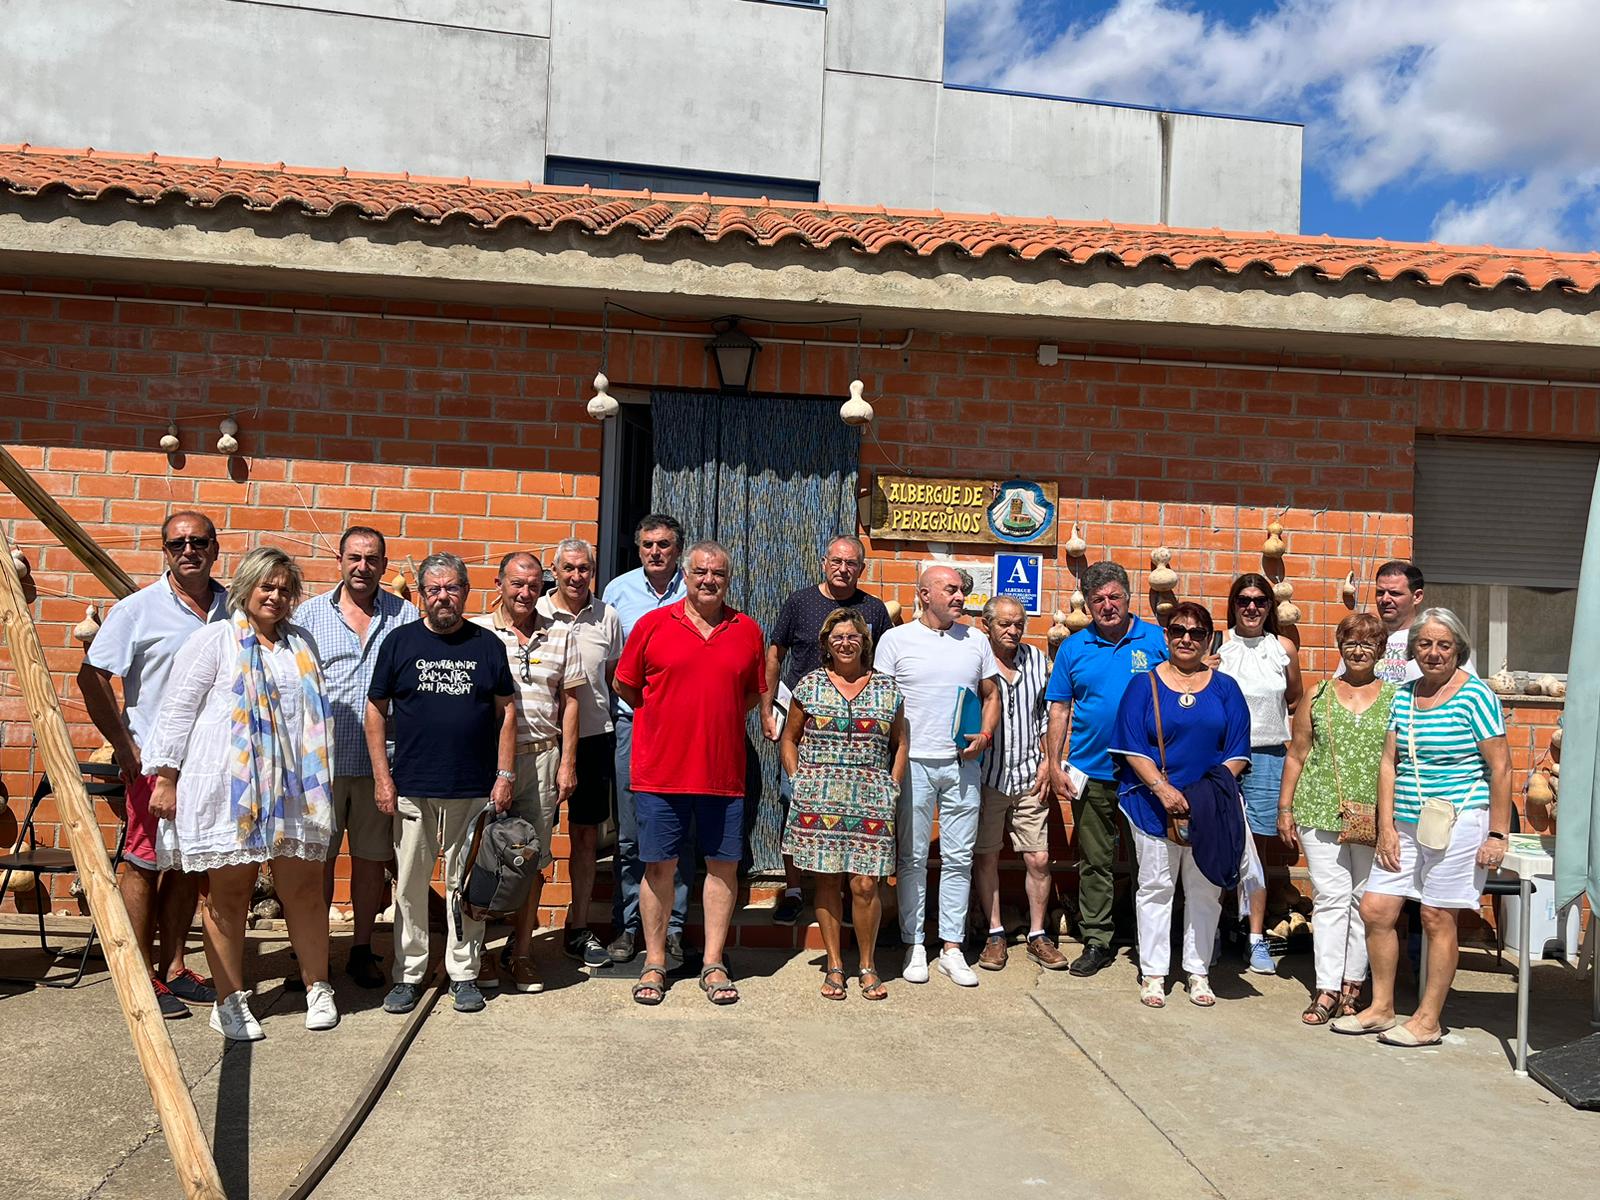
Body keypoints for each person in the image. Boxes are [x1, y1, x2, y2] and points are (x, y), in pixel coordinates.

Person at [143, 547, 338, 1039]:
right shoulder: (216, 640)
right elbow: (176, 711)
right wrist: (166, 777)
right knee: (228, 896)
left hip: (295, 791)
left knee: (305, 891)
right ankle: (229, 999)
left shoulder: (301, 644)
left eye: (284, 588)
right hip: (232, 790)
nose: (275, 595)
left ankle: (319, 987)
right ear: (246, 587)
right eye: (266, 586)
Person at [1336, 608, 1511, 1046]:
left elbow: (1502, 766)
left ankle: (1428, 1019)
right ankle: (1380, 1008)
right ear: (1412, 649)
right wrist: (1387, 824)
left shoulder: (1477, 696)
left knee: (1436, 915)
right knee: (1377, 908)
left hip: (1458, 821)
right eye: (1425, 644)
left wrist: (1497, 833)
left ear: (1459, 650)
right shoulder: (1404, 694)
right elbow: (1388, 763)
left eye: (1443, 645)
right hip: (1407, 823)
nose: (1433, 653)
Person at [76, 511, 226, 1019]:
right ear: (164, 550)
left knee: (185, 864)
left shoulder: (232, 607)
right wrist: (123, 747)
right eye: (178, 543)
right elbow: (91, 676)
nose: (189, 550)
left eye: (198, 541)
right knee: (143, 863)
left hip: (211, 764)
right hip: (153, 764)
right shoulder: (136, 610)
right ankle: (141, 976)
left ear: (214, 548)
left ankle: (176, 966)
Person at [613, 541, 764, 1006]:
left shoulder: (747, 630)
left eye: (717, 573)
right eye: (700, 572)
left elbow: (751, 696)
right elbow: (626, 685)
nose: (708, 580)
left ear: (728, 578)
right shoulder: (652, 625)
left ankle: (714, 963)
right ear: (687, 573)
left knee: (722, 867)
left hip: (723, 772)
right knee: (658, 866)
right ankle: (655, 962)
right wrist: (670, 721)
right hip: (661, 772)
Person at [367, 552, 517, 1016]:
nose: (443, 597)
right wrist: (382, 778)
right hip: (412, 786)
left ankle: (463, 973)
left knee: (464, 885)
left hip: (472, 787)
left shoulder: (487, 645)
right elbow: (376, 711)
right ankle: (409, 974)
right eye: (433, 590)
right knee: (410, 886)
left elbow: (507, 710)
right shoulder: (399, 643)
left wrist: (505, 774)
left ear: (466, 591)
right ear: (421, 596)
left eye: (451, 588)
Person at [1111, 601, 1251, 1009]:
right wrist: (1162, 789)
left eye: (1195, 632)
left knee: (1205, 890)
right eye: (1177, 631)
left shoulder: (1226, 688)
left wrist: (1204, 794)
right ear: (1166, 636)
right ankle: (1154, 973)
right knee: (1155, 887)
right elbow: (1130, 746)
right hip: (1153, 806)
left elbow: (1238, 749)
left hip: (1210, 808)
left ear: (1208, 638)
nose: (1186, 638)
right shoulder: (1144, 685)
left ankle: (1197, 971)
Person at [296, 525, 418, 988]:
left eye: (372, 559)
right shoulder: (309, 615)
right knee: (316, 864)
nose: (362, 567)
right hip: (320, 766)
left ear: (384, 566)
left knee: (370, 862)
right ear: (341, 561)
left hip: (379, 764)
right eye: (354, 558)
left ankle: (362, 947)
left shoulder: (405, 616)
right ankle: (315, 956)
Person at [875, 565, 1000, 987]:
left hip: (963, 763)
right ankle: (914, 945)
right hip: (912, 763)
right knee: (910, 858)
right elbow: (883, 703)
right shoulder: (895, 640)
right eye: (950, 589)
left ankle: (951, 947)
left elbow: (991, 695)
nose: (960, 596)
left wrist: (985, 733)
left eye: (962, 589)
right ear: (924, 594)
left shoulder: (977, 640)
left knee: (959, 858)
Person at [1043, 561, 1169, 976]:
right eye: (1098, 600)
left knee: (1149, 863)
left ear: (1128, 598)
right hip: (1090, 771)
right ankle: (1097, 940)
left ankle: (1150, 941)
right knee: (1094, 860)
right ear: (1089, 604)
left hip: (1146, 775)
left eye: (1114, 596)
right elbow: (1059, 708)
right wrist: (1053, 762)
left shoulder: (1155, 640)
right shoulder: (1075, 648)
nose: (1107, 606)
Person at [762, 535, 893, 926]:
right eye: (836, 561)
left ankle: (844, 895)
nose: (843, 568)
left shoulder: (874, 609)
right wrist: (768, 710)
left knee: (852, 815)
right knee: (794, 802)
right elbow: (775, 654)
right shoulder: (800, 602)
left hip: (858, 729)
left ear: (861, 569)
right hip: (806, 721)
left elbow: (885, 664)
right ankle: (794, 889)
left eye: (851, 563)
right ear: (824, 562)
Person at [779, 608, 906, 1000]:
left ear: (865, 642)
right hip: (819, 796)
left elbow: (900, 743)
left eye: (853, 637)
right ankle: (835, 965)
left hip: (871, 796)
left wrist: (893, 785)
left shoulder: (887, 688)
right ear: (826, 645)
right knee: (829, 881)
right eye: (837, 639)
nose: (845, 643)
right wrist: (799, 779)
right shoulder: (809, 685)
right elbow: (789, 739)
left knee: (866, 884)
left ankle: (867, 965)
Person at [1278, 613, 1396, 1025]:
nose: (1359, 649)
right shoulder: (1318, 693)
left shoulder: (1397, 698)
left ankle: (1354, 986)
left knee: (1365, 903)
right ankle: (1326, 987)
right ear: (1339, 645)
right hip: (1320, 807)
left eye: (1368, 642)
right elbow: (1297, 753)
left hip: (1377, 816)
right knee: (1329, 898)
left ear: (1381, 650)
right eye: (1351, 641)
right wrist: (1285, 807)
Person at [473, 551, 583, 994]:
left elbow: (571, 701)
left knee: (529, 858)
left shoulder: (561, 633)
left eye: (534, 584)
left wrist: (568, 764)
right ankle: (475, 953)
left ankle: (521, 954)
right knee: (475, 858)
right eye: (516, 583)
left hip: (541, 758)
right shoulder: (477, 631)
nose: (525, 592)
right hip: (484, 760)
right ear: (499, 583)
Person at [602, 513, 689, 964]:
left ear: (678, 549)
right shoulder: (617, 592)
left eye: (665, 545)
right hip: (633, 726)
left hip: (684, 732)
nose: (656, 552)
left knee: (679, 832)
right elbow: (610, 666)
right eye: (648, 545)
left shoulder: (695, 588)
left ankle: (674, 929)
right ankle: (629, 925)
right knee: (632, 833)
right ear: (638, 549)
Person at [538, 538, 626, 968]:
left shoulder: (607, 617)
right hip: (540, 741)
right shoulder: (534, 612)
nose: (576, 577)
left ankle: (578, 925)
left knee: (587, 837)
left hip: (593, 739)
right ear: (554, 570)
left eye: (584, 569)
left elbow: (613, 679)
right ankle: (521, 927)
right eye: (568, 568)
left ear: (594, 572)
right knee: (531, 837)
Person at [1213, 573, 1302, 975]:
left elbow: (1295, 696)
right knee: (1217, 845)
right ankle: (1212, 931)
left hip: (1268, 756)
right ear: (1233, 604)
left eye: (1260, 601)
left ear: (1270, 607)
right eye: (1244, 600)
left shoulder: (1282, 647)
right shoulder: (1219, 646)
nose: (1252, 607)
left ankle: (1255, 937)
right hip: (1223, 757)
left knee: (1258, 853)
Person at [972, 595, 1066, 971]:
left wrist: (1049, 760)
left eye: (1018, 624)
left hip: (1030, 775)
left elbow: (1049, 715)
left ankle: (1038, 935)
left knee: (1039, 858)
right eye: (1004, 625)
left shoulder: (1037, 662)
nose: (1013, 631)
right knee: (987, 855)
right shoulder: (975, 661)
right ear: (987, 625)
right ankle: (994, 934)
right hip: (987, 777)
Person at [1344, 561, 1477, 683]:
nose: (1384, 599)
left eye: (1394, 593)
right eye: (1380, 592)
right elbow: (1342, 684)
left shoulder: (1433, 637)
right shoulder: (1362, 635)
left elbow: (1468, 688)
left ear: (1417, 597)